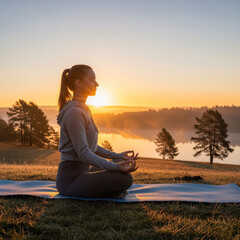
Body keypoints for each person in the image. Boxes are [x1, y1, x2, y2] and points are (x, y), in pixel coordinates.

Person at [56, 64, 139, 199]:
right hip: (70, 181)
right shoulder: (74, 113)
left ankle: (110, 190)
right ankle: (111, 190)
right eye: (92, 80)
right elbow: (84, 153)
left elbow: (90, 147)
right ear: (79, 83)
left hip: (84, 171)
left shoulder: (83, 110)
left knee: (118, 162)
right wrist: (115, 167)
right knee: (125, 179)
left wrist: (117, 155)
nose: (97, 84)